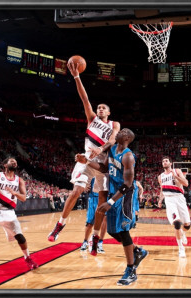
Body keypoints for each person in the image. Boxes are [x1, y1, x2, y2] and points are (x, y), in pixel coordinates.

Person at [48, 59, 121, 256]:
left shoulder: (114, 124)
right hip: (86, 161)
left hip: (103, 165)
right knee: (76, 191)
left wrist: (102, 148)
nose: (100, 109)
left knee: (101, 204)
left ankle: (96, 238)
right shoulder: (91, 119)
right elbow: (84, 98)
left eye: (103, 108)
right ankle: (59, 225)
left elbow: (113, 140)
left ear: (109, 112)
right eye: (98, 108)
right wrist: (77, 77)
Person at [76, 128, 148, 286]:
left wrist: (110, 202)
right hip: (113, 192)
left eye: (122, 131)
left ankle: (131, 270)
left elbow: (128, 184)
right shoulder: (113, 148)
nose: (119, 132)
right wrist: (86, 161)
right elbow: (104, 168)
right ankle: (137, 251)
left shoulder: (128, 156)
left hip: (125, 195)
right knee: (111, 230)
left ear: (127, 137)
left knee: (123, 230)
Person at [157, 157, 191, 258]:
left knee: (187, 225)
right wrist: (160, 200)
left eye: (166, 161)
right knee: (176, 222)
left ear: (170, 163)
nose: (164, 162)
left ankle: (183, 233)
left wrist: (175, 177)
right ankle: (181, 248)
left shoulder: (177, 171)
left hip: (179, 198)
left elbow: (186, 183)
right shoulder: (160, 176)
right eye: (163, 161)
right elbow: (162, 189)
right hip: (169, 200)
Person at [80, 178, 107, 254]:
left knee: (104, 220)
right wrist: (85, 186)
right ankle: (85, 241)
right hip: (93, 198)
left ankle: (100, 243)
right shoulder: (92, 169)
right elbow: (83, 181)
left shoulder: (109, 169)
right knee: (89, 223)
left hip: (105, 198)